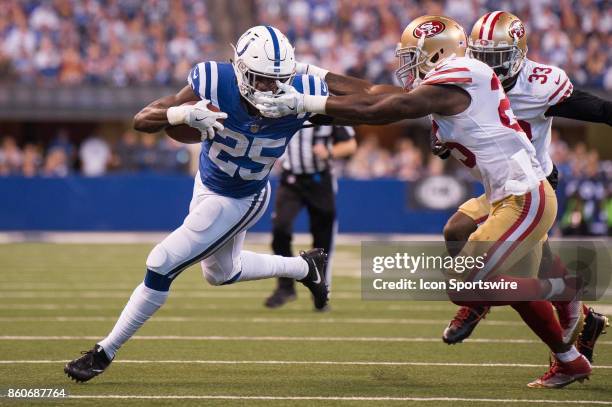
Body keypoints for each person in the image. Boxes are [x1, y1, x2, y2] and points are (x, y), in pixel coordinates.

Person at [255, 15, 592, 388]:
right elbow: (370, 92)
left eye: (413, 56)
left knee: (464, 286)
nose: (407, 65)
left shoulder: (461, 74)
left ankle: (562, 306)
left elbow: (379, 111)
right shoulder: (447, 82)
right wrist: (308, 71)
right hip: (504, 193)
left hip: (525, 194)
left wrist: (306, 102)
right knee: (457, 229)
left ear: (438, 53)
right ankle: (565, 354)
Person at [64, 25, 330, 383]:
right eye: (261, 78)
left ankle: (104, 351)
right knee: (220, 273)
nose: (270, 88)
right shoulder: (213, 79)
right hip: (206, 182)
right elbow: (143, 119)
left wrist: (315, 98)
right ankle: (304, 268)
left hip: (242, 196)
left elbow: (369, 106)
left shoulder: (301, 91)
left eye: (277, 79)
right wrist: (181, 115)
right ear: (240, 69)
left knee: (161, 262)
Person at [436, 11, 610, 360]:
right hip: (500, 183)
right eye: (482, 57)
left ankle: (479, 302)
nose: (489, 67)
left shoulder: (541, 84)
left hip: (533, 182)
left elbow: (598, 110)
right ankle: (583, 321)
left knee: (516, 271)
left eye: (497, 59)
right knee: (461, 234)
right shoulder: (466, 79)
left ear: (519, 54)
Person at [265, 124, 356, 308]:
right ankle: (286, 287)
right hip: (291, 180)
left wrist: (329, 151)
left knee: (322, 238)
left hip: (320, 180)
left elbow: (350, 144)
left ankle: (319, 290)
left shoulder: (329, 109)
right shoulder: (285, 104)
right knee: (280, 229)